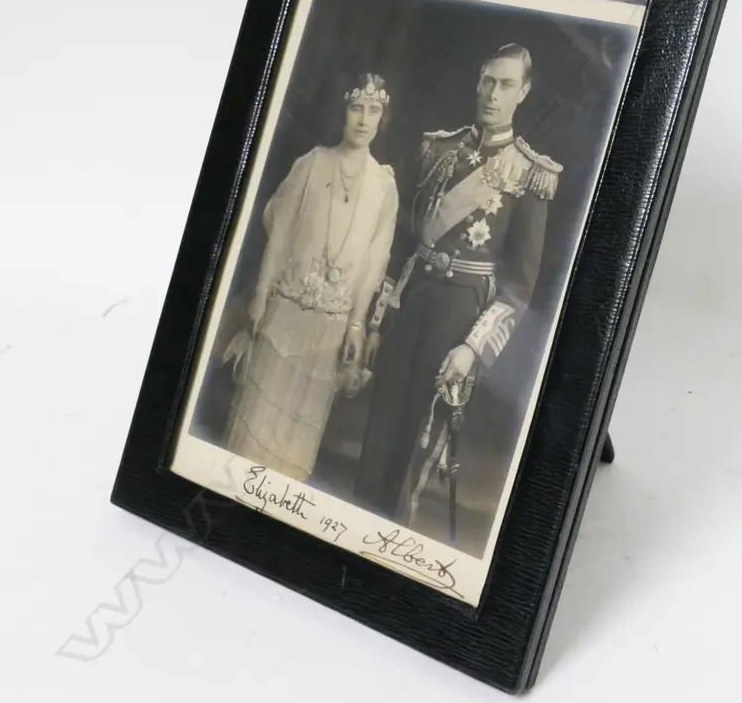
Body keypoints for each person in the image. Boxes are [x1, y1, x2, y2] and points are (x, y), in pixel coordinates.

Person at [353, 44, 561, 522]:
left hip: (460, 316)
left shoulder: (531, 175)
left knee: (416, 447)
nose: (492, 94)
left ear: (523, 93)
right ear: (477, 81)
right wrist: (379, 315)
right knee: (380, 431)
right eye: (487, 80)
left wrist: (472, 348)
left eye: (506, 84)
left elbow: (519, 288)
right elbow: (405, 241)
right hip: (411, 302)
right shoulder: (438, 149)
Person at [223, 74, 399, 482]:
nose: (363, 119)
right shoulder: (311, 163)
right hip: (284, 310)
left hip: (331, 328)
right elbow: (279, 232)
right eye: (356, 108)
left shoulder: (384, 185)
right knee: (257, 420)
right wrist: (260, 296)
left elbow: (375, 261)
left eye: (374, 111)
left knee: (297, 434)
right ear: (343, 111)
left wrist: (357, 324)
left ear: (382, 119)